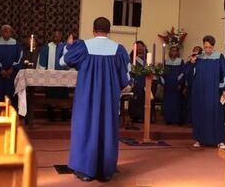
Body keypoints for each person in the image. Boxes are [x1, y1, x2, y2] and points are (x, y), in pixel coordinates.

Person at [59, 17, 130, 182]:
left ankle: (85, 171)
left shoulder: (83, 46)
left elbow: (64, 61)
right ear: (109, 30)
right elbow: (125, 78)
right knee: (107, 128)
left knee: (84, 127)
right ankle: (105, 171)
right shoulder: (118, 49)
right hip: (108, 98)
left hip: (86, 97)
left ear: (93, 29)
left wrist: (68, 46)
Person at [188, 35, 225, 149]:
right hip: (200, 92)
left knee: (216, 114)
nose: (207, 50)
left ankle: (219, 140)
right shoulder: (199, 58)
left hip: (214, 91)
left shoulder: (219, 57)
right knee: (200, 114)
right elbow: (190, 74)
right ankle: (199, 139)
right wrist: (191, 63)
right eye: (205, 47)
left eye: (209, 47)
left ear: (213, 46)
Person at [37, 30, 69, 121]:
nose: (57, 37)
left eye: (58, 35)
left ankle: (64, 116)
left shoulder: (66, 47)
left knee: (63, 97)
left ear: (61, 36)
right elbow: (42, 61)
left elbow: (69, 61)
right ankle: (51, 116)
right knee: (51, 97)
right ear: (52, 36)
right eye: (55, 35)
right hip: (50, 77)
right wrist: (42, 74)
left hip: (63, 78)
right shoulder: (47, 47)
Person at [0, 24, 23, 108]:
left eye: (9, 32)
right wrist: (0, 70)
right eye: (5, 31)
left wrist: (12, 69)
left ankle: (12, 113)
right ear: (1, 32)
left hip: (12, 74)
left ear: (11, 33)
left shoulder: (16, 44)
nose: (7, 33)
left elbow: (20, 58)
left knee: (11, 93)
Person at [162, 46, 185, 125]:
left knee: (177, 103)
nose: (173, 52)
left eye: (175, 51)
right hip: (168, 85)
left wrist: (179, 83)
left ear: (178, 52)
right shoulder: (166, 61)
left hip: (176, 85)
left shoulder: (180, 61)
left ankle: (177, 119)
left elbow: (182, 73)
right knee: (168, 103)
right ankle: (168, 119)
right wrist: (163, 81)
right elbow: (162, 73)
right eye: (172, 51)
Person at [129, 40, 148, 122]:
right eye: (138, 47)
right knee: (135, 98)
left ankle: (143, 116)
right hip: (135, 80)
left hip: (145, 81)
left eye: (141, 46)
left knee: (143, 98)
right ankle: (134, 116)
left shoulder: (148, 58)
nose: (140, 48)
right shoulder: (132, 59)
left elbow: (148, 68)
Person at [184, 46, 203, 124]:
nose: (195, 52)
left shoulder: (203, 62)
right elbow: (186, 73)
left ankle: (198, 121)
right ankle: (190, 120)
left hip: (200, 87)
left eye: (197, 50)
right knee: (190, 104)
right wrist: (192, 62)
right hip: (191, 86)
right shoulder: (189, 62)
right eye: (194, 50)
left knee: (199, 105)